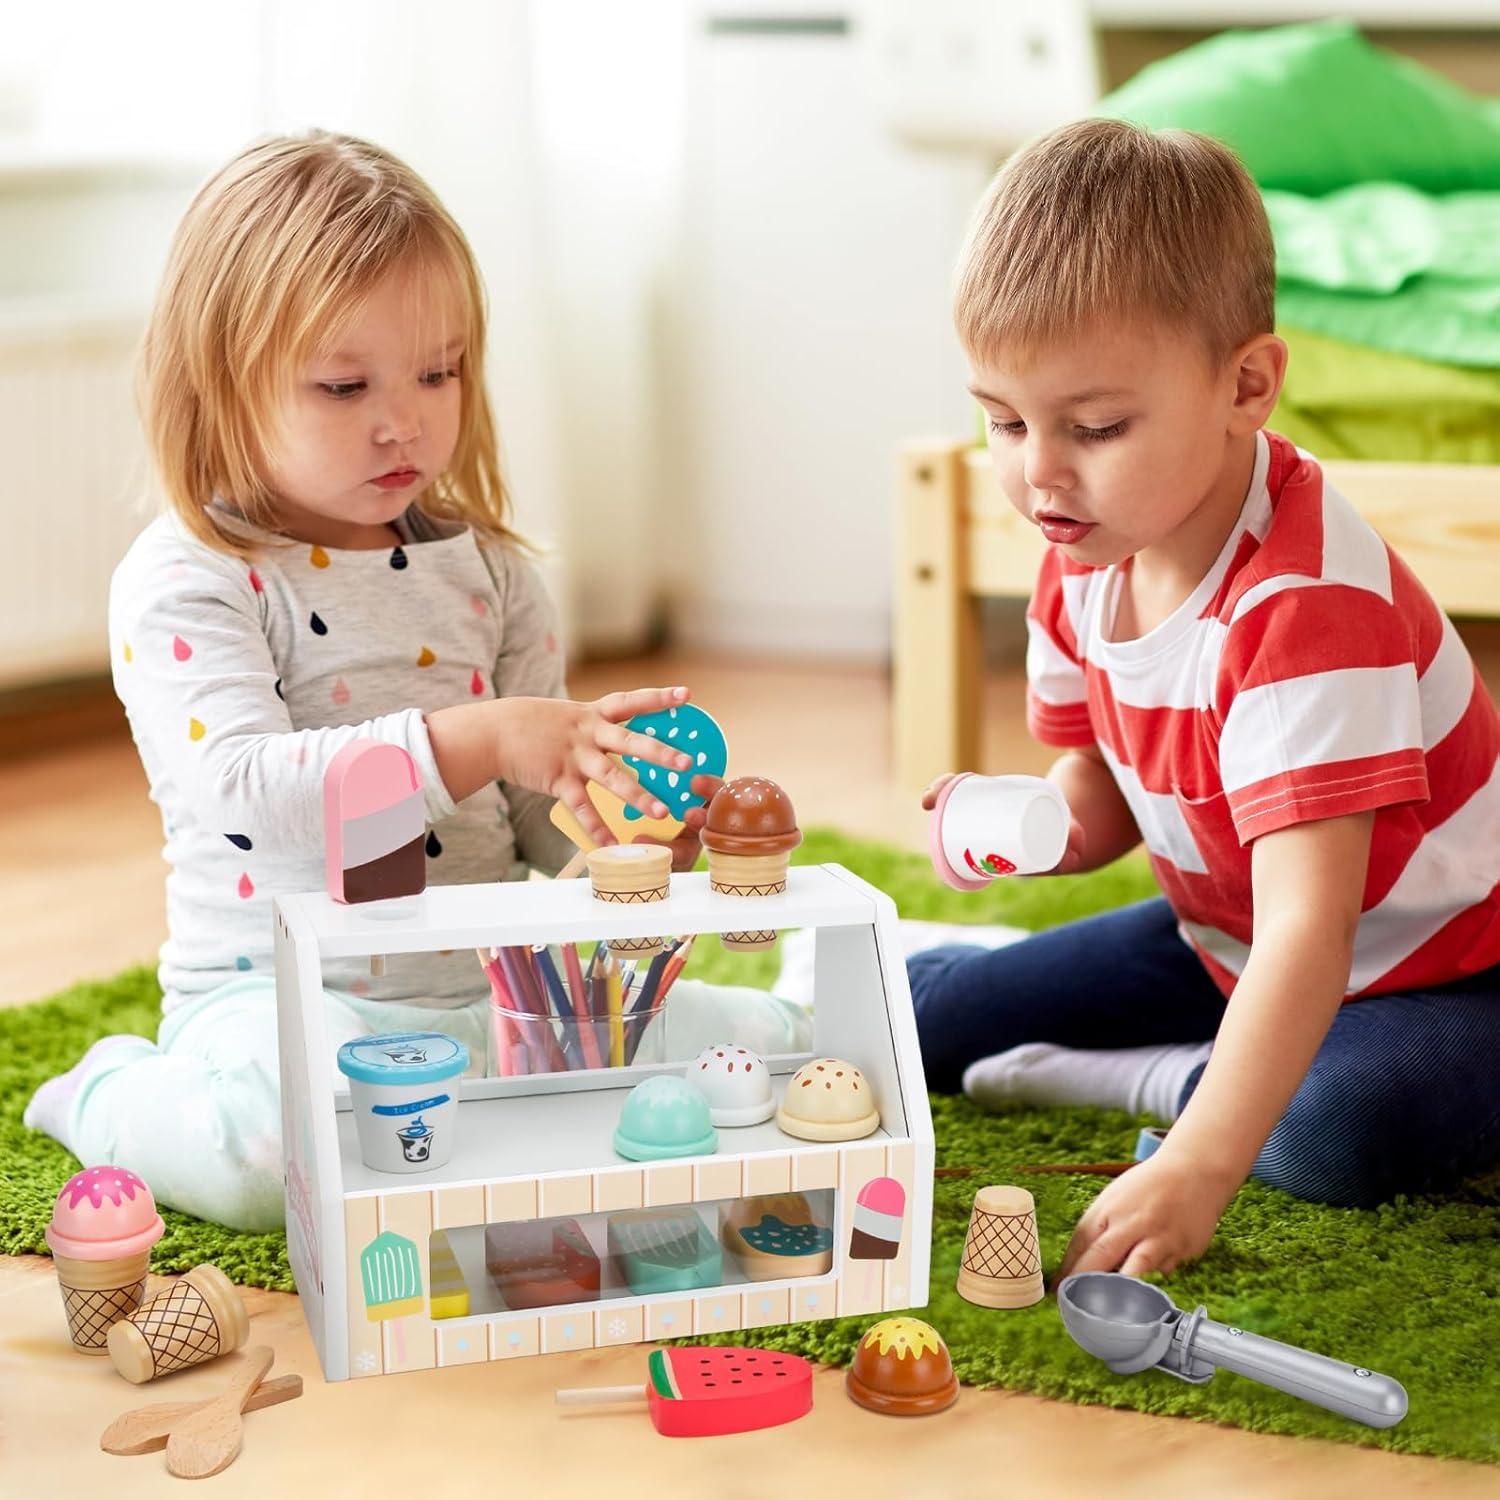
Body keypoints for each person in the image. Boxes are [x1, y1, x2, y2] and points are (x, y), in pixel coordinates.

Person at [24, 131, 803, 1230]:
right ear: (220, 384)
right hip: (285, 999)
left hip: (501, 990)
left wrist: (628, 836)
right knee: (277, 1154)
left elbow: (531, 826)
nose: (405, 421)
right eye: (345, 386)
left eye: (439, 372)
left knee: (748, 1054)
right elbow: (243, 792)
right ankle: (110, 1093)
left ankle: (823, 996)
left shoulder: (492, 576)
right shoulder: (191, 580)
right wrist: (481, 737)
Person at [909, 118, 1500, 1280]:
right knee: (923, 1024)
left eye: (1094, 428)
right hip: (1229, 934)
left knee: (1335, 1130)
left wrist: (1200, 1161)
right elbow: (1102, 790)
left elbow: (1313, 925)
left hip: (1450, 967)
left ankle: (1163, 1082)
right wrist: (1023, 828)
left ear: (1247, 386)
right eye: (1005, 421)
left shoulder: (1306, 612)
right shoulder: (1084, 542)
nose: (1038, 474)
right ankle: (1151, 1042)